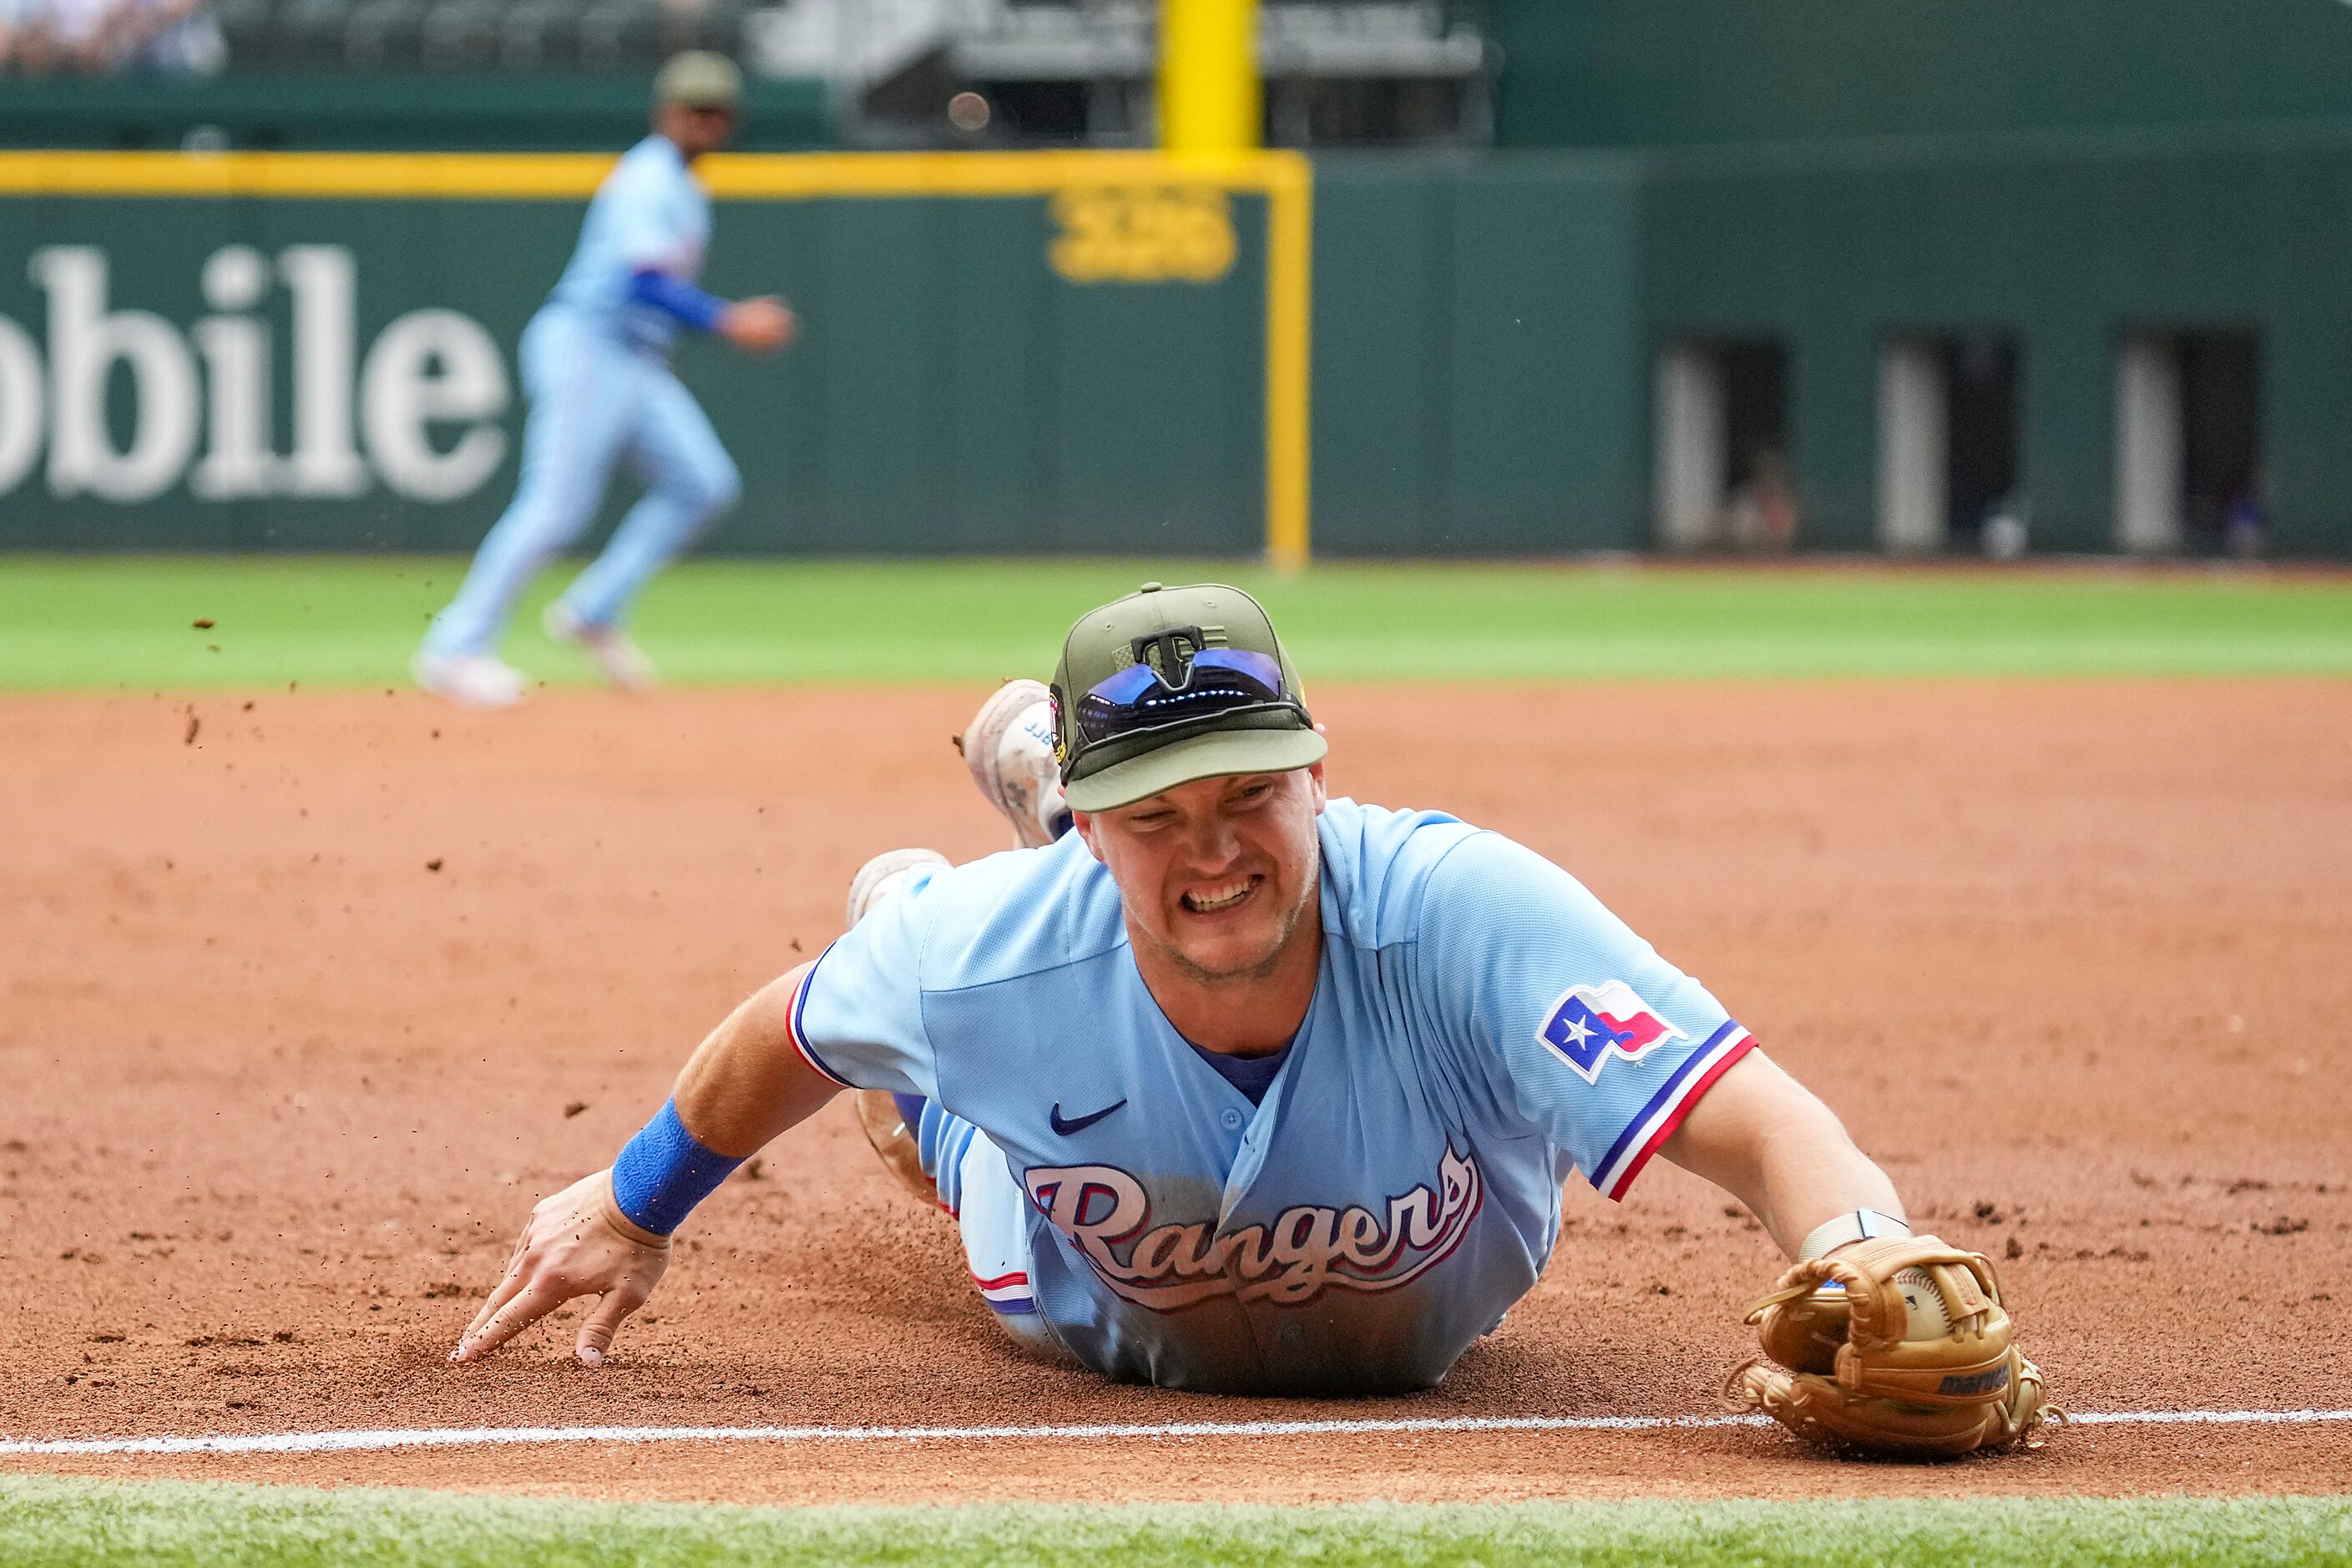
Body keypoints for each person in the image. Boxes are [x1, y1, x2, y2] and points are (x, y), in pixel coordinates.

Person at [450, 583, 2046, 1449]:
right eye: (1152, 809)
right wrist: (628, 1200)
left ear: (1320, 770)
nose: (1216, 840)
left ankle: (1043, 784)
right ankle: (962, 889)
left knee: (1079, 960)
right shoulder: (975, 959)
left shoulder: (1457, 911)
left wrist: (1855, 1247)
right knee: (929, 1097)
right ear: (1095, 825)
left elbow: (1751, 1114)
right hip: (1073, 1285)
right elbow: (782, 1032)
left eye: (1251, 793)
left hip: (1391, 1219)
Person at [414, 51, 795, 711]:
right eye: (694, 109)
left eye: (717, 111)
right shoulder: (649, 177)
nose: (706, 122)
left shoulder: (681, 182)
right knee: (555, 507)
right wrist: (725, 319)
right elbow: (641, 280)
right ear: (666, 113)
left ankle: (593, 607)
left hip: (633, 358)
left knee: (702, 485)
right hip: (589, 345)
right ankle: (454, 648)